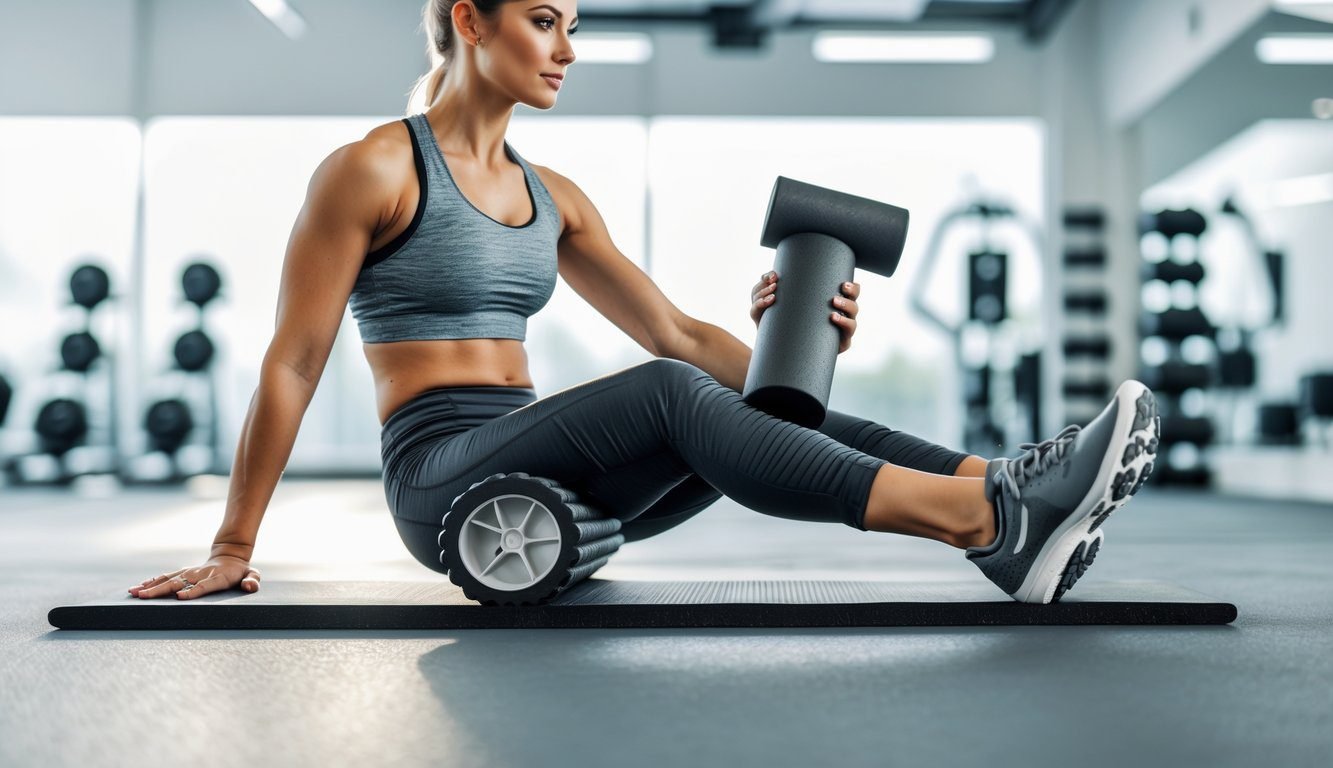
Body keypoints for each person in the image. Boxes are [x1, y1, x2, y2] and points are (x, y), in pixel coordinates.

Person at [128, 0, 1158, 606]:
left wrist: (781, 346)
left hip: (537, 456)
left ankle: (1006, 482)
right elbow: (293, 360)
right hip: (440, 481)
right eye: (543, 20)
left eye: (572, 24)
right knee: (672, 392)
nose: (567, 48)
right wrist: (233, 545)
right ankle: (982, 522)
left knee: (750, 400)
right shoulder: (370, 171)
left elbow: (673, 331)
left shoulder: (553, 198)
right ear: (467, 21)